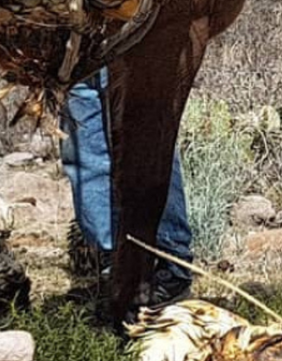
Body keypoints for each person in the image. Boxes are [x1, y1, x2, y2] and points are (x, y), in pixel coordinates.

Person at [59, 68, 193, 306]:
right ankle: (115, 268)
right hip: (78, 47)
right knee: (84, 144)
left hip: (138, 41)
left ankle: (170, 267)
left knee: (151, 140)